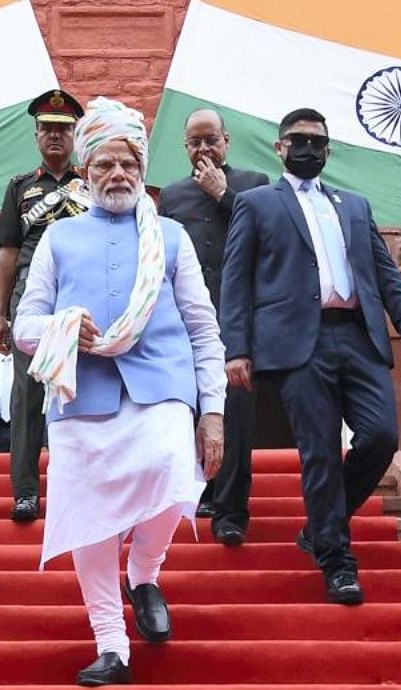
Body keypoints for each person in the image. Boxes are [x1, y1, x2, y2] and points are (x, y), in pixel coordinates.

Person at [15, 97, 226, 687]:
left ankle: (145, 569)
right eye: (104, 166)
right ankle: (112, 643)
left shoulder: (174, 238)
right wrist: (61, 328)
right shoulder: (58, 240)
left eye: (127, 166)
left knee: (173, 473)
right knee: (89, 518)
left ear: (141, 170)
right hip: (80, 395)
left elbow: (204, 328)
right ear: (86, 174)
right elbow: (26, 324)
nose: (116, 176)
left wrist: (213, 411)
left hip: (160, 387)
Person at [219, 107, 401, 605]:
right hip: (296, 346)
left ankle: (320, 525)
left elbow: (384, 271)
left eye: (317, 141)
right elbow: (235, 281)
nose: (307, 148)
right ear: (280, 147)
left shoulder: (354, 205)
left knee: (381, 437)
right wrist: (237, 349)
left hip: (358, 336)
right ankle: (337, 562)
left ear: (328, 150)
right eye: (298, 140)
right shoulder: (257, 203)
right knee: (319, 452)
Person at [158, 108, 268, 544]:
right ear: (185, 148)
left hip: (237, 318)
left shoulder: (255, 186)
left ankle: (231, 512)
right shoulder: (172, 196)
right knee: (188, 410)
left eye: (211, 140)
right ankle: (198, 491)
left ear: (227, 141)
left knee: (234, 415)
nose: (203, 149)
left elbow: (269, 234)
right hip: (184, 319)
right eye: (195, 142)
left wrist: (224, 196)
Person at [0, 88, 88, 522]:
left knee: (82, 396)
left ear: (75, 136)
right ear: (35, 136)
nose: (54, 137)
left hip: (79, 300)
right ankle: (26, 492)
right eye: (47, 129)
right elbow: (7, 253)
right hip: (31, 301)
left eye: (63, 130)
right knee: (26, 399)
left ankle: (79, 489)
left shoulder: (92, 184)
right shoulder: (20, 189)